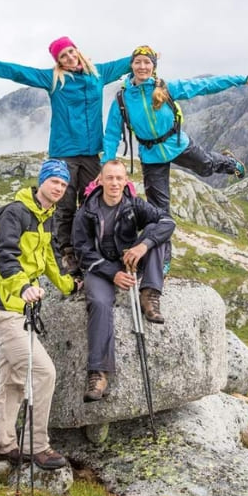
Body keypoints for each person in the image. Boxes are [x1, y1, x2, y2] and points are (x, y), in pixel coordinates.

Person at [0, 38, 131, 269]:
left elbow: (128, 63)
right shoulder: (53, 79)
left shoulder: (98, 73)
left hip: (92, 152)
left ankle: (91, 245)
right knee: (65, 204)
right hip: (65, 153)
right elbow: (20, 73)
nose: (70, 57)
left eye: (71, 52)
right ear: (58, 62)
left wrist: (148, 56)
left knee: (92, 200)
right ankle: (68, 252)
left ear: (77, 50)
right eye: (63, 56)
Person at [0, 159, 80, 469]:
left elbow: (48, 258)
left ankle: (0, 444)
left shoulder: (46, 217)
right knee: (43, 372)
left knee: (11, 376)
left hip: (18, 306)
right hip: (3, 305)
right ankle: (37, 446)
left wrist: (68, 285)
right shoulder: (17, 213)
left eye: (64, 185)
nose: (59, 188)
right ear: (43, 181)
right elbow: (3, 255)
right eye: (55, 182)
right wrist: (23, 286)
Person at [102, 45, 248, 214]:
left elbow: (205, 85)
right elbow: (112, 135)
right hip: (151, 155)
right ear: (132, 65)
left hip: (177, 143)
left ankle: (230, 163)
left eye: (147, 62)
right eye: (138, 62)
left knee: (206, 167)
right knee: (159, 211)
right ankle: (161, 240)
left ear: (154, 66)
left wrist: (242, 79)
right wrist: (107, 164)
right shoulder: (122, 100)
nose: (142, 66)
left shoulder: (166, 88)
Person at [72, 159, 175, 402]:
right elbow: (82, 251)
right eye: (110, 178)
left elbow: (168, 222)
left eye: (120, 178)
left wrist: (142, 246)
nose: (115, 183)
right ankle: (98, 374)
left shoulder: (134, 204)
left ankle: (149, 294)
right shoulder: (86, 211)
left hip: (130, 261)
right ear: (101, 180)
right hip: (100, 268)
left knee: (158, 234)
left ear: (126, 181)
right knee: (99, 303)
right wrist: (112, 273)